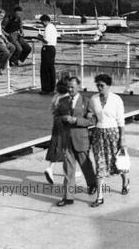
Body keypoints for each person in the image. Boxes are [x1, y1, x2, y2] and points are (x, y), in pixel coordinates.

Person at [88, 74, 129, 207]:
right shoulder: (93, 99)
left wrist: (122, 139)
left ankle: (125, 182)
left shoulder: (116, 99)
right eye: (97, 85)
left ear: (108, 86)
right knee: (100, 165)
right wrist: (90, 115)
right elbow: (91, 114)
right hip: (99, 134)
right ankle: (99, 197)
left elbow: (121, 120)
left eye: (102, 85)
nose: (99, 88)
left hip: (114, 134)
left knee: (118, 162)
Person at [56, 77, 97, 207]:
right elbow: (57, 118)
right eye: (68, 87)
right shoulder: (62, 101)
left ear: (79, 87)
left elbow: (92, 121)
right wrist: (63, 118)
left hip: (81, 139)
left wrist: (76, 121)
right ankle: (68, 197)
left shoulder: (86, 101)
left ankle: (92, 184)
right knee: (68, 169)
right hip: (67, 139)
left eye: (72, 87)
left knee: (86, 166)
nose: (70, 89)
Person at [44, 80, 69, 185]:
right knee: (67, 146)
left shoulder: (56, 98)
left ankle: (52, 168)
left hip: (56, 123)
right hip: (64, 124)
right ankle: (52, 168)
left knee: (56, 144)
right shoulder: (67, 100)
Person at [38, 14, 57, 94]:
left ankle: (46, 88)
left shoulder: (48, 28)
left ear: (45, 21)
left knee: (45, 69)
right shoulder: (53, 27)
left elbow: (46, 40)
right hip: (52, 48)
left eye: (42, 22)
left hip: (47, 49)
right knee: (51, 69)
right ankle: (52, 87)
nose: (42, 24)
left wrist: (40, 37)